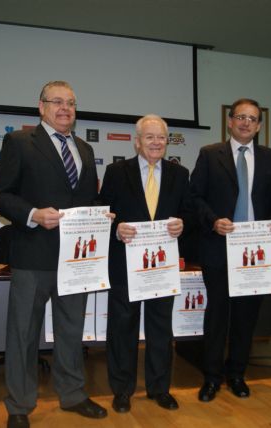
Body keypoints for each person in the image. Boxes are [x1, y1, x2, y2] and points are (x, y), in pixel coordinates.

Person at [0, 81, 107, 428]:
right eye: (57, 102)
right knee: (23, 334)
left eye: (71, 103)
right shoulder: (20, 142)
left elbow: (86, 200)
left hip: (75, 259)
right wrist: (32, 214)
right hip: (33, 257)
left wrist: (101, 216)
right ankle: (19, 405)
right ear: (41, 106)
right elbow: (0, 196)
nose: (65, 108)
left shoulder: (85, 150)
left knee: (72, 332)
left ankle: (72, 394)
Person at [189, 98, 271, 402]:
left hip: (255, 251)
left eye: (252, 118)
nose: (246, 123)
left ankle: (238, 374)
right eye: (240, 117)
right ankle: (212, 378)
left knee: (246, 316)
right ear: (230, 121)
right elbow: (194, 198)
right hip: (218, 247)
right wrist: (214, 221)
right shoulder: (209, 155)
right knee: (217, 315)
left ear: (259, 125)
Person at [99, 114, 189, 413]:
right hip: (125, 265)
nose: (155, 142)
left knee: (161, 327)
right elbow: (103, 214)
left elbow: (187, 212)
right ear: (137, 141)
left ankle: (159, 388)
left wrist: (182, 225)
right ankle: (122, 390)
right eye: (149, 137)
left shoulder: (180, 173)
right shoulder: (116, 172)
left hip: (162, 266)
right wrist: (116, 228)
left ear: (167, 141)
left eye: (161, 137)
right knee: (122, 328)